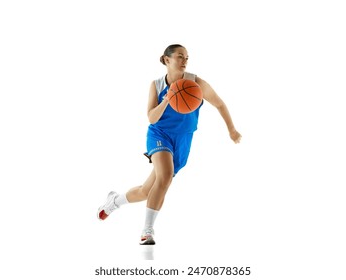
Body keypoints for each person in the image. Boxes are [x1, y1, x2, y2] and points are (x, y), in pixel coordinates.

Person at [97, 44, 242, 245]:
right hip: (160, 134)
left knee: (147, 191)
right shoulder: (156, 85)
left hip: (183, 139)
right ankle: (147, 231)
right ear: (167, 60)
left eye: (187, 58)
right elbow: (151, 118)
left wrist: (232, 130)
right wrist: (167, 99)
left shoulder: (195, 83)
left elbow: (219, 104)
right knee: (165, 177)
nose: (184, 61)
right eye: (180, 57)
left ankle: (115, 201)